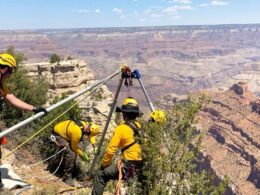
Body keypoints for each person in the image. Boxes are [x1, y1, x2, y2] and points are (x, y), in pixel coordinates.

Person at [0, 53, 47, 190]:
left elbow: (11, 98)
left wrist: (34, 109)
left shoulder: (1, 84)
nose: (11, 74)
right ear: (5, 69)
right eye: (11, 70)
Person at [92, 97, 143, 195]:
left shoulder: (121, 129)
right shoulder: (141, 127)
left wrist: (104, 165)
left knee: (100, 174)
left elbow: (111, 150)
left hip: (128, 167)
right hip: (141, 166)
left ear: (124, 114)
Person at [52, 118, 100, 186]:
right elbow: (74, 147)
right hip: (58, 134)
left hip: (65, 133)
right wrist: (83, 155)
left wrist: (95, 146)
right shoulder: (77, 132)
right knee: (71, 154)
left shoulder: (86, 125)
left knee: (71, 153)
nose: (88, 136)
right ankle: (67, 177)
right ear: (88, 130)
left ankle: (62, 169)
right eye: (88, 134)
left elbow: (91, 136)